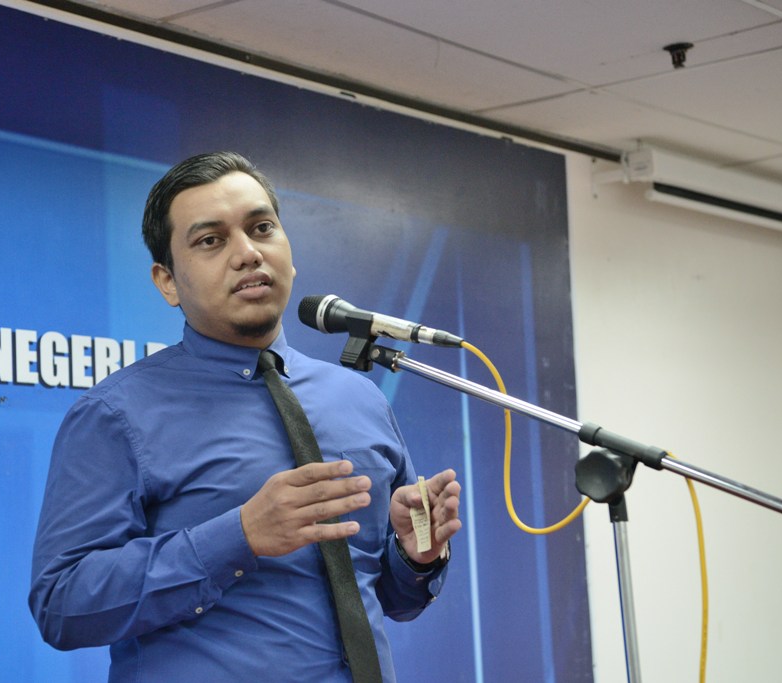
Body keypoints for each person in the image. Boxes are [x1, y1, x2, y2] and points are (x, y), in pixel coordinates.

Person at [29, 151, 462, 682]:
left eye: (262, 228)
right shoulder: (116, 415)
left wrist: (415, 557)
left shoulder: (360, 399)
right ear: (167, 281)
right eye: (211, 240)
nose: (248, 253)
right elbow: (62, 604)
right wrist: (239, 536)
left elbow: (389, 599)